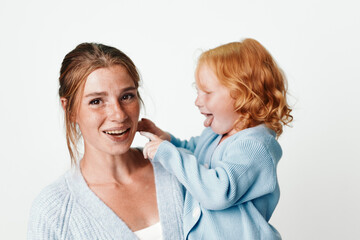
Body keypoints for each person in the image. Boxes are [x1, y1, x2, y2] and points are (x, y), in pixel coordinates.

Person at [138, 38, 293, 239]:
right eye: (197, 91)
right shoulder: (215, 134)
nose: (197, 101)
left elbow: (218, 192)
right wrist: (166, 139)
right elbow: (194, 152)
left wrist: (168, 154)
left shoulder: (255, 146)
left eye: (208, 93)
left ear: (244, 95)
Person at [27, 43, 184, 240]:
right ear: (69, 109)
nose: (118, 115)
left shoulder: (178, 168)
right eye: (96, 101)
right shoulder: (54, 213)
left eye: (127, 96)